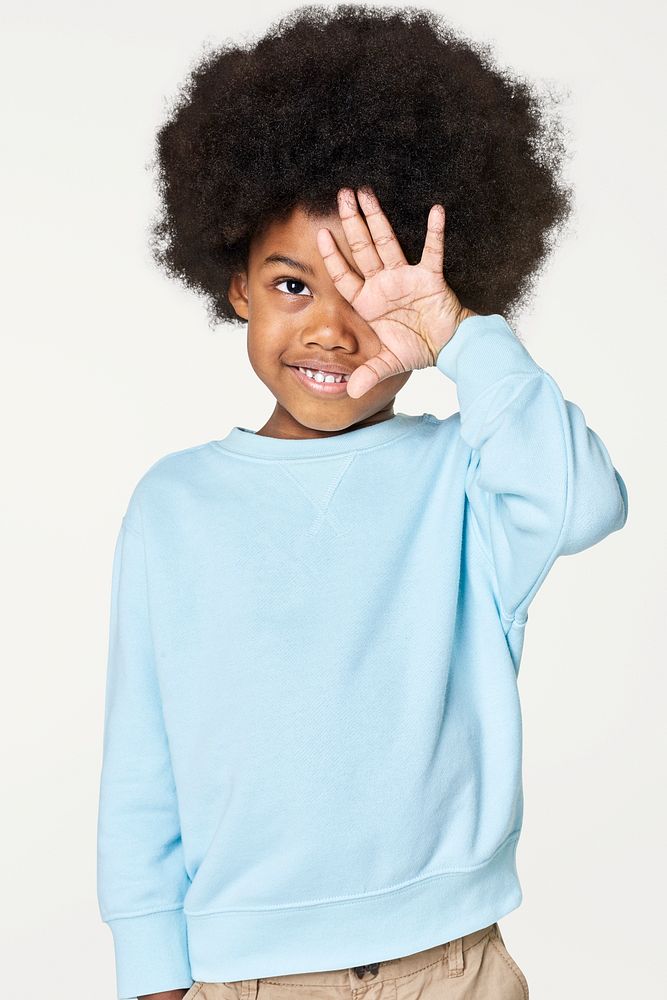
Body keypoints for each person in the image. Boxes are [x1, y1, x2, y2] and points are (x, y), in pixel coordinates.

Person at [95, 5, 629, 999]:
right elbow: (143, 759)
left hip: (453, 961)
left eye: (371, 293)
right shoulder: (175, 506)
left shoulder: (466, 480)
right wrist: (150, 970)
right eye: (294, 283)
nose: (333, 330)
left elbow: (583, 503)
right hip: (250, 974)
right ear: (235, 285)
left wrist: (462, 337)